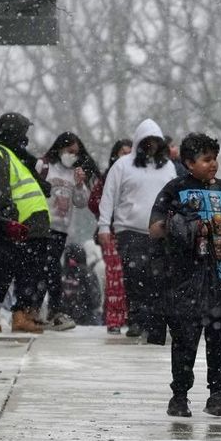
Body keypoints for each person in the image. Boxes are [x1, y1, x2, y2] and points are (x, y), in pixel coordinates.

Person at [149, 133, 221, 418]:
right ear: (189, 162)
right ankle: (179, 396)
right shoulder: (174, 189)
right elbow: (154, 228)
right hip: (185, 278)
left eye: (215, 159)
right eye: (206, 160)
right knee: (185, 339)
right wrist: (180, 225)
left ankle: (218, 396)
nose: (213, 164)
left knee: (220, 339)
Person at [97, 120, 177, 338]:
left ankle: (152, 320)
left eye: (155, 142)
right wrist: (104, 225)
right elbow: (109, 195)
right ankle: (137, 319)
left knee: (157, 277)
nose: (151, 146)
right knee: (135, 276)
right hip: (129, 230)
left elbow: (175, 197)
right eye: (147, 142)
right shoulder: (123, 165)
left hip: (160, 231)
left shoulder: (168, 168)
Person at [0, 112, 48, 334]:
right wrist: (10, 220)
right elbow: (0, 192)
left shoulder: (16, 155)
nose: (25, 138)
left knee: (31, 273)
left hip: (33, 226)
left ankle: (23, 314)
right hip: (19, 226)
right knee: (5, 272)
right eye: (22, 132)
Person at [35, 132, 98, 331]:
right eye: (69, 151)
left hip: (62, 228)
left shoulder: (74, 173)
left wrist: (79, 185)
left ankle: (52, 309)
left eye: (76, 153)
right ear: (59, 148)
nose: (72, 156)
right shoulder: (44, 166)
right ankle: (38, 308)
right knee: (44, 268)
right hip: (43, 225)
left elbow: (80, 203)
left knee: (52, 269)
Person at [89, 139, 132, 334]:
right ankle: (114, 319)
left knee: (132, 277)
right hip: (112, 234)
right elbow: (94, 202)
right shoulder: (108, 178)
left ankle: (130, 317)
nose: (126, 156)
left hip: (133, 233)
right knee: (115, 277)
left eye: (130, 152)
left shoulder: (137, 176)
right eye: (123, 152)